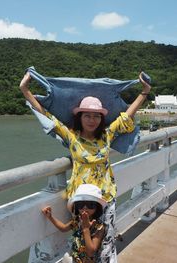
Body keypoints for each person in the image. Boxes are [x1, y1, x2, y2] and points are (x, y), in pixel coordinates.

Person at [20, 70, 151, 262]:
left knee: (105, 243)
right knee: (80, 243)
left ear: (101, 119)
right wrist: (25, 90)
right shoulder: (72, 137)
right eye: (87, 115)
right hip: (81, 200)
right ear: (79, 117)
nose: (92, 120)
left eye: (96, 116)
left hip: (105, 197)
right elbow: (45, 114)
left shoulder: (107, 135)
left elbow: (127, 115)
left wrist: (144, 91)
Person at [41, 184, 107, 263]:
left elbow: (91, 252)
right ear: (76, 207)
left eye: (90, 204)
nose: (85, 208)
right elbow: (64, 228)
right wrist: (50, 217)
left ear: (97, 207)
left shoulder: (99, 227)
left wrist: (86, 228)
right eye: (81, 205)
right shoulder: (77, 220)